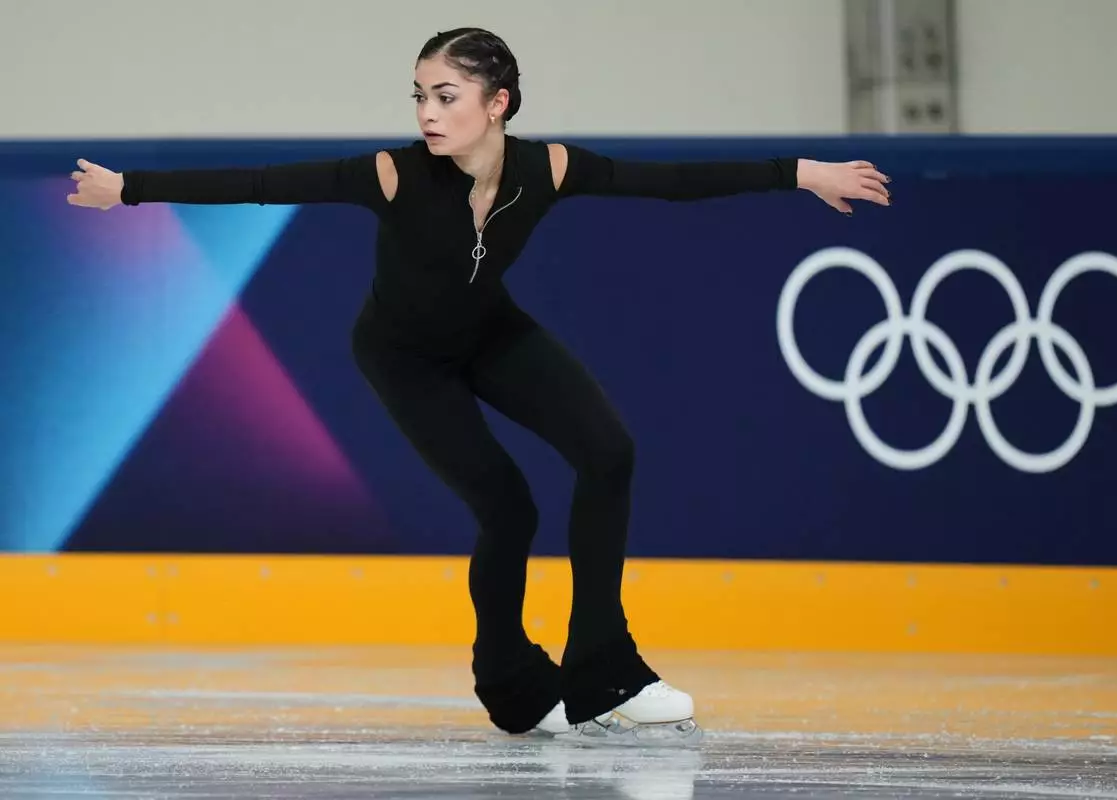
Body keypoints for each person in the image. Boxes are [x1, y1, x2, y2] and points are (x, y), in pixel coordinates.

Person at [67, 27, 891, 744]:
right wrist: (127, 189)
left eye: (447, 95)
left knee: (609, 452)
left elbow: (672, 182)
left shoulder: (550, 167)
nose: (427, 111)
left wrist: (805, 171)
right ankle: (512, 685)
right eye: (419, 94)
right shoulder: (392, 174)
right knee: (508, 506)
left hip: (491, 331)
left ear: (498, 103)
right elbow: (260, 182)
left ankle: (606, 668)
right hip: (403, 357)